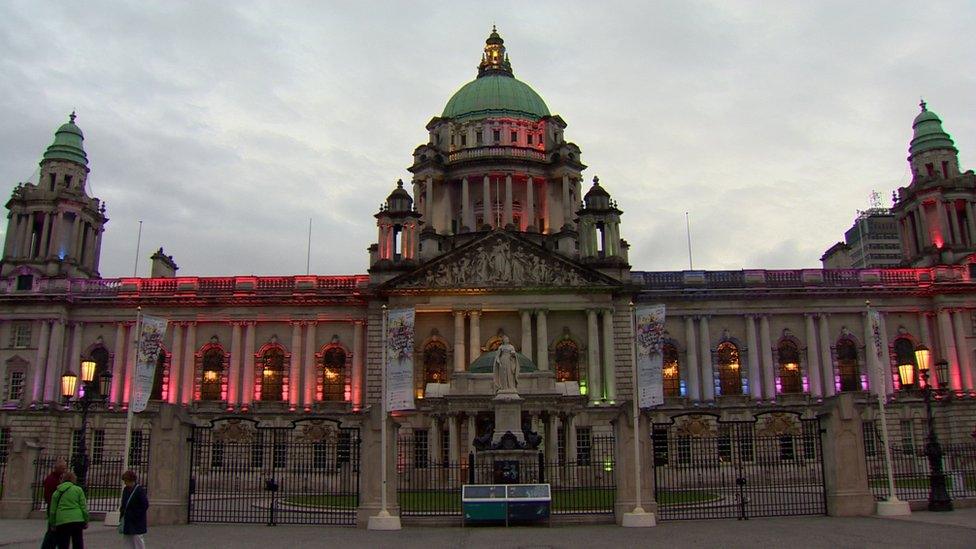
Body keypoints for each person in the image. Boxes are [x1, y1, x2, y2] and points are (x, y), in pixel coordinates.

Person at [47, 470, 88, 549]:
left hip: (62, 520)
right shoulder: (78, 490)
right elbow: (83, 507)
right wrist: (86, 520)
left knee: (63, 544)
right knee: (78, 543)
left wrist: (52, 523)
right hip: (77, 519)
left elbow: (52, 511)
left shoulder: (57, 492)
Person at [41, 459, 67, 549]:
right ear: (58, 468)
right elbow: (49, 496)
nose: (64, 471)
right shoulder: (52, 479)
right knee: (52, 531)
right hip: (53, 508)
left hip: (57, 508)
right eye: (63, 469)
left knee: (55, 532)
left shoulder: (57, 478)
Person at [119, 470, 149, 549]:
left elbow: (145, 505)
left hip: (136, 520)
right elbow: (123, 503)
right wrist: (122, 514)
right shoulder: (125, 490)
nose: (125, 483)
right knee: (127, 539)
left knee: (137, 539)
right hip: (127, 519)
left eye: (126, 481)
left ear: (131, 480)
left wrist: (136, 515)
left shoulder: (139, 490)